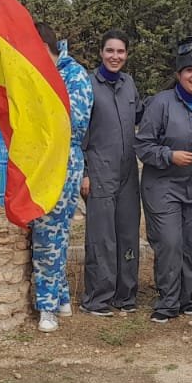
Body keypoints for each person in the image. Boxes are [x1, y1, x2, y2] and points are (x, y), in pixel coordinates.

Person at [135, 39, 192, 323]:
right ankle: (167, 301)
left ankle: (186, 298)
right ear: (178, 74)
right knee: (170, 242)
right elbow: (143, 145)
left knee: (189, 245)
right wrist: (169, 155)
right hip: (163, 185)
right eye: (189, 70)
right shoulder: (161, 103)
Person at [32, 27, 94, 332]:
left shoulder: (73, 75)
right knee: (53, 235)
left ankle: (47, 307)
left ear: (43, 45)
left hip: (60, 162)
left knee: (49, 236)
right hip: (42, 161)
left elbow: (74, 123)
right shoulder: (47, 71)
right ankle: (61, 298)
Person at [80, 29, 141, 316]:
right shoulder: (88, 85)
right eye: (110, 51)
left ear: (126, 55)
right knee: (101, 238)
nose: (115, 56)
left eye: (120, 51)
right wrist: (84, 172)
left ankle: (125, 294)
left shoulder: (129, 84)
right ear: (101, 53)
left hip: (128, 173)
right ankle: (98, 297)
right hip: (99, 171)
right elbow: (79, 131)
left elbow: (140, 117)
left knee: (128, 235)